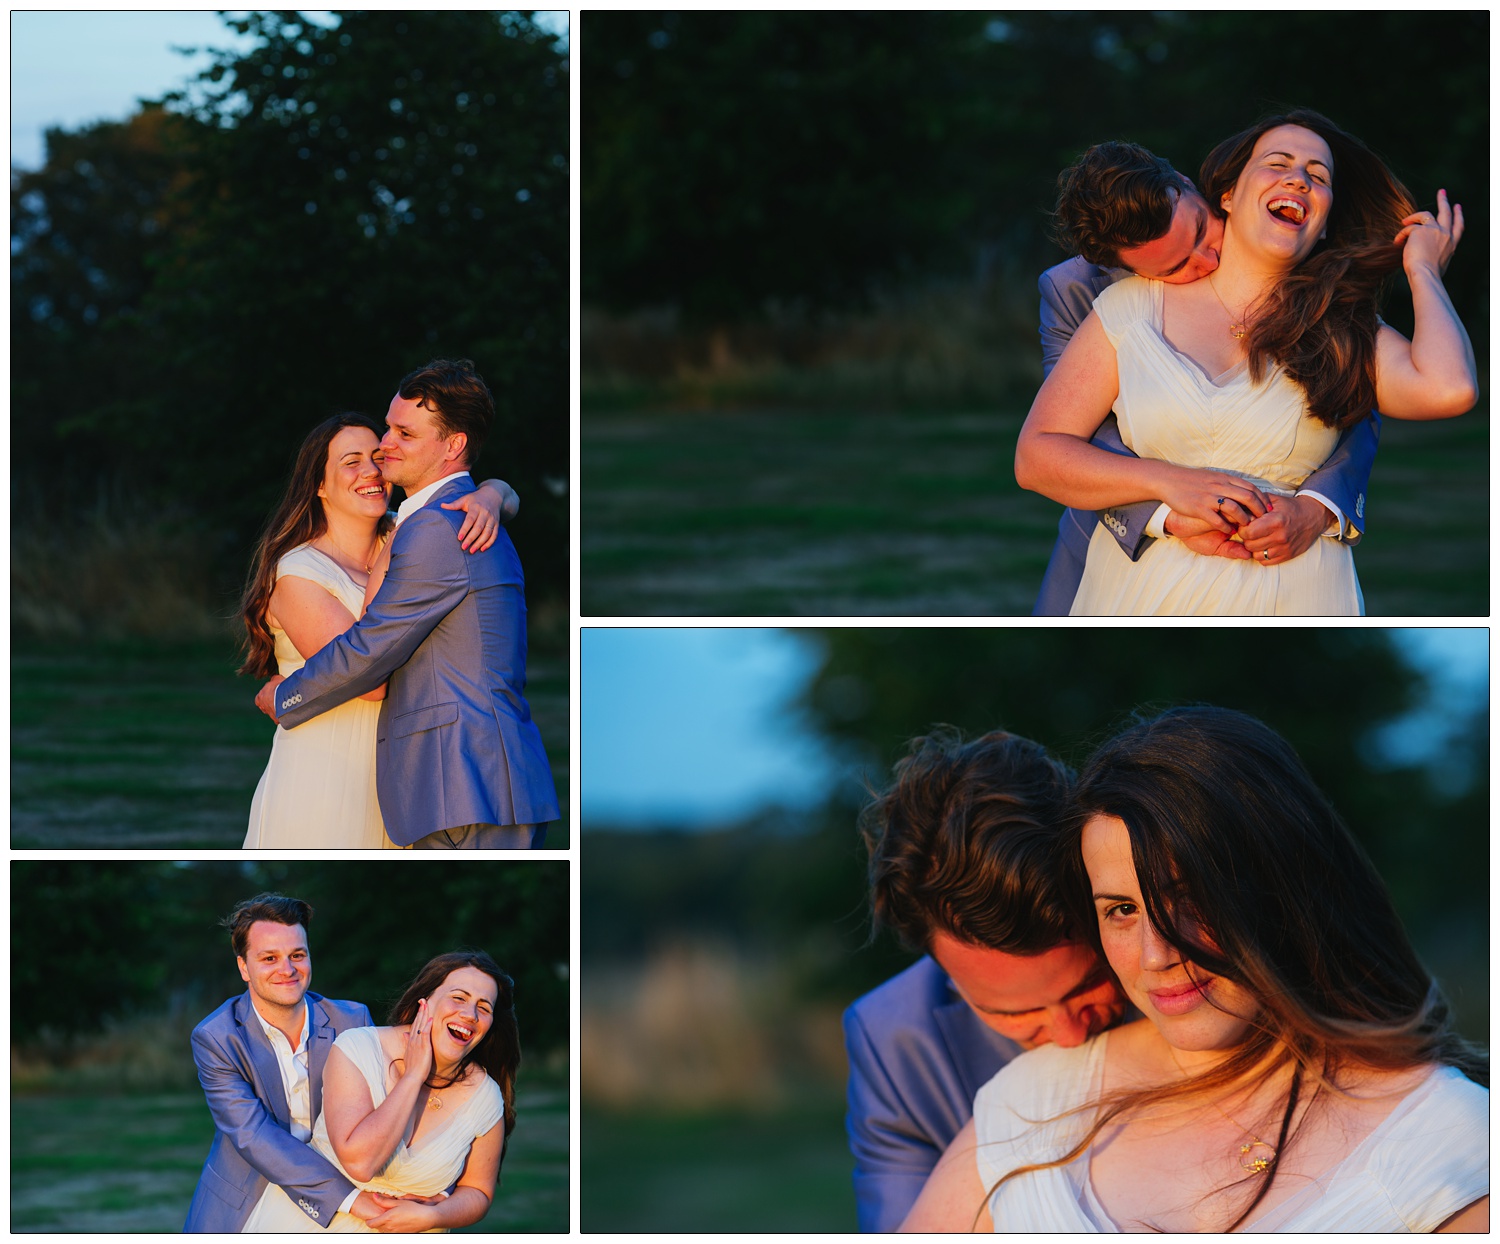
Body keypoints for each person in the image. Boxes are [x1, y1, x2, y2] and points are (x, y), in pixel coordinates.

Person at [903, 707, 1488, 1232]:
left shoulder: (1452, 1140)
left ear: (1283, 885)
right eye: (1122, 910)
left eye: (1191, 897)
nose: (1157, 954)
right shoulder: (1032, 1100)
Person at [1016, 110, 1477, 614]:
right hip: (1139, 582)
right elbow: (1042, 453)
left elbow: (1449, 389)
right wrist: (1168, 486)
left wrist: (1424, 271)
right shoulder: (1121, 306)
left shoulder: (1344, 326)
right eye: (1277, 163)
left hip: (1297, 590)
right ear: (1231, 193)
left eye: (1317, 176)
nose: (1205, 260)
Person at [256, 359, 560, 849]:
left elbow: (369, 653)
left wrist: (284, 695)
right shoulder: (437, 519)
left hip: (466, 782)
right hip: (450, 783)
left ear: (453, 445)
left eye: (404, 433)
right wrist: (495, 492)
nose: (385, 447)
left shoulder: (435, 527)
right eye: (389, 428)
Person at [843, 728, 1128, 1232]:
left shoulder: (1181, 968)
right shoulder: (895, 1042)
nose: (1069, 1034)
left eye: (1087, 984)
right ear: (943, 969)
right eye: (1014, 1012)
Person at [241, 950, 518, 1232]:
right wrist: (413, 1076)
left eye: (484, 1007)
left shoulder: (485, 1096)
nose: (470, 1014)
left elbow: (478, 1191)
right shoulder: (357, 1048)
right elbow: (360, 1163)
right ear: (426, 1002)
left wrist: (435, 1216)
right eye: (458, 998)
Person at [185, 893, 387, 1232]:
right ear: (243, 967)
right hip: (250, 1199)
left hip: (347, 1189)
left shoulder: (352, 1020)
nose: (287, 969)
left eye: (297, 955)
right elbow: (253, 1135)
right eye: (269, 958)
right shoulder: (216, 1037)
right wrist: (350, 1199)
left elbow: (381, 1115)